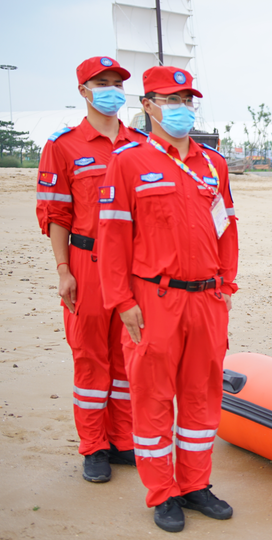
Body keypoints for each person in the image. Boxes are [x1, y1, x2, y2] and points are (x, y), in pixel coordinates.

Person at [97, 65, 239, 533]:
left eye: (187, 100)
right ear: (149, 106)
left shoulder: (212, 163)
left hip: (207, 299)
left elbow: (227, 227)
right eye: (171, 100)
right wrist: (122, 302)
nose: (182, 109)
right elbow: (113, 238)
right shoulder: (128, 161)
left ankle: (196, 484)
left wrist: (226, 284)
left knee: (202, 394)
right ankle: (163, 493)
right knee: (153, 397)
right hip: (152, 300)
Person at [36, 56, 143, 483]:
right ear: (83, 90)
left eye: (117, 82)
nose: (111, 89)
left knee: (128, 353)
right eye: (102, 82)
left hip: (135, 265)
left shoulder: (140, 144)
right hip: (88, 260)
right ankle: (94, 446)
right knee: (90, 356)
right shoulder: (62, 145)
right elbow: (56, 214)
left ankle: (123, 438)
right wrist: (64, 269)